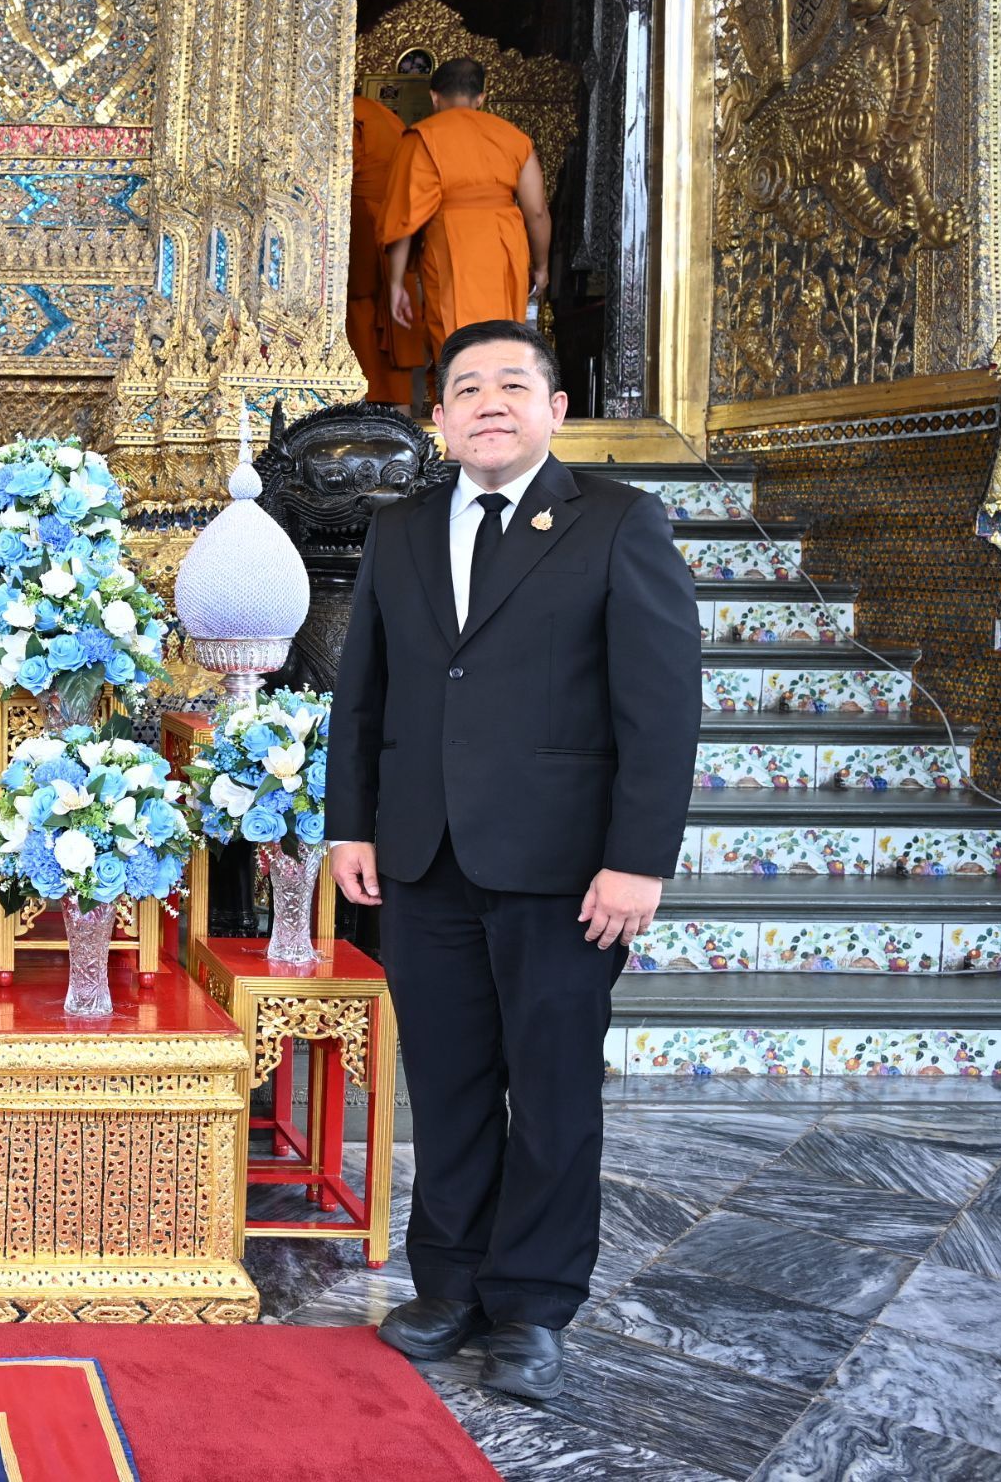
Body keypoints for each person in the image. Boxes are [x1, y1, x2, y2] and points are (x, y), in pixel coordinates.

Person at [324, 319, 697, 1401]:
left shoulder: (619, 522)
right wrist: (354, 824)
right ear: (437, 419)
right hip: (423, 859)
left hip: (563, 869)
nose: (489, 403)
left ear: (555, 411)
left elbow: (662, 707)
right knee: (443, 1087)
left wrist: (638, 861)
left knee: (551, 1093)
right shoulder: (398, 529)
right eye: (466, 389)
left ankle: (532, 1306)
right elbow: (368, 695)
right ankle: (448, 1286)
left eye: (512, 387)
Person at [379, 58, 551, 355]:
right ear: (481, 98)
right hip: (504, 246)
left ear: (434, 96)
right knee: (502, 342)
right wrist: (542, 267)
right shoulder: (514, 138)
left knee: (456, 344)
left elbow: (404, 217)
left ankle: (461, 396)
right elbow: (536, 211)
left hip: (450, 244)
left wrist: (396, 284)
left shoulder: (422, 137)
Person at [348, 94, 423, 404]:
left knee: (358, 313)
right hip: (393, 226)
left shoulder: (347, 114)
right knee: (387, 323)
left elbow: (336, 175)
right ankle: (397, 412)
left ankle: (356, 403)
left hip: (358, 224)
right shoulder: (385, 116)